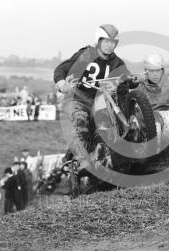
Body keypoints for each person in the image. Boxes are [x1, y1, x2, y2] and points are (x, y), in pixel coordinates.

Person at [53, 24, 131, 167]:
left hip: (100, 102)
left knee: (106, 126)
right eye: (106, 41)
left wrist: (126, 81)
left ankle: (107, 156)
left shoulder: (116, 62)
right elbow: (61, 69)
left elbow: (128, 78)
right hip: (77, 98)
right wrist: (61, 81)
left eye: (113, 42)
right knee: (80, 120)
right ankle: (82, 161)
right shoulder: (87, 54)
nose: (109, 46)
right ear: (99, 41)